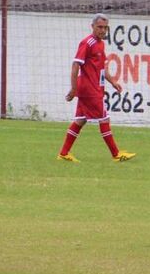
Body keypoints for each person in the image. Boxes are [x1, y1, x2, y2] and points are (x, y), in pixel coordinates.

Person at [57, 13, 136, 163]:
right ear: (92, 26)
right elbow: (75, 65)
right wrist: (73, 89)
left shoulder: (100, 43)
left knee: (80, 120)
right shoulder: (87, 43)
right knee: (104, 118)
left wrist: (113, 82)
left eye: (105, 28)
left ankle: (63, 153)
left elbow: (101, 68)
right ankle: (116, 154)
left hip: (94, 88)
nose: (102, 30)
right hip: (89, 89)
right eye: (100, 27)